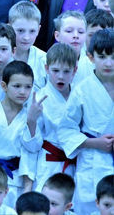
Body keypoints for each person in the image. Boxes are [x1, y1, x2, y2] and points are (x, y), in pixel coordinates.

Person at [58, 29, 114, 215]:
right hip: (92, 160)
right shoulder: (82, 90)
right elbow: (66, 130)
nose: (108, 63)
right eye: (102, 56)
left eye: (113, 57)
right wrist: (94, 142)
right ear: (90, 57)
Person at [0, 61, 42, 207]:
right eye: (17, 86)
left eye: (28, 87)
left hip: (15, 181)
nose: (23, 92)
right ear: (4, 86)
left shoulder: (29, 115)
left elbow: (33, 149)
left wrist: (32, 121)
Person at [26, 43, 77, 192]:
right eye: (55, 70)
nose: (61, 76)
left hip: (75, 162)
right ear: (46, 68)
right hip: (49, 162)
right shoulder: (39, 98)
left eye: (66, 71)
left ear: (75, 70)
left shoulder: (80, 95)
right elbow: (32, 146)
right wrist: (31, 120)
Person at [9, 1, 47, 90]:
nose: (26, 37)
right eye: (20, 31)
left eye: (32, 31)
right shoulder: (0, 57)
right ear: (9, 27)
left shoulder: (45, 60)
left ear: (38, 30)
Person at [52, 11, 93, 84]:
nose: (76, 35)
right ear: (57, 36)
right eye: (69, 31)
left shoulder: (93, 65)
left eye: (81, 32)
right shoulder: (45, 61)